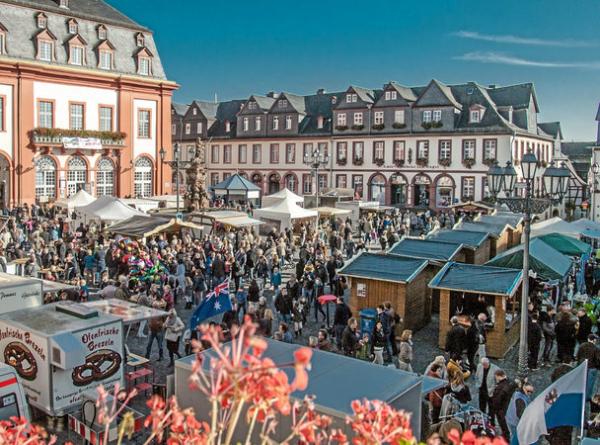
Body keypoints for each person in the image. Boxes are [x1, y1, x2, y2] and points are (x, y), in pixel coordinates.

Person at [490, 369, 515, 442]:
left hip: (501, 409)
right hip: (507, 406)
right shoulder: (511, 382)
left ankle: (506, 438)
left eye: (496, 377)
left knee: (503, 424)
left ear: (498, 376)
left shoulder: (500, 388)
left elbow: (496, 401)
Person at [576, 333, 600, 401]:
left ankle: (579, 394)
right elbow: (597, 360)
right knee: (589, 384)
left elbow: (578, 355)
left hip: (582, 366)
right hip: (591, 368)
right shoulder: (596, 349)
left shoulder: (582, 345)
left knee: (581, 381)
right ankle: (586, 398)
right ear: (594, 340)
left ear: (588, 339)